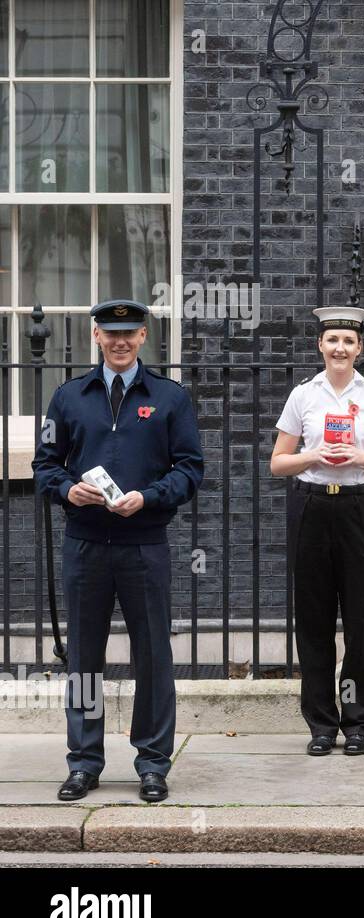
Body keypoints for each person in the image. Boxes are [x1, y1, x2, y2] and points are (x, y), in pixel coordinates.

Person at [33, 299, 204, 803]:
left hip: (144, 545)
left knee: (153, 656)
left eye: (129, 332)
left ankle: (153, 763)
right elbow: (46, 466)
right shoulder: (68, 397)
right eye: (111, 333)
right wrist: (67, 490)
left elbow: (190, 469)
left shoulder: (170, 398)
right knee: (84, 658)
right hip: (85, 545)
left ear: (143, 336)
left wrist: (148, 497)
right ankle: (84, 762)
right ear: (96, 336)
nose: (121, 341)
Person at [270, 306, 364, 756]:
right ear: (320, 346)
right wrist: (315, 455)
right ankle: (322, 725)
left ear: (360, 348)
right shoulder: (303, 395)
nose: (340, 348)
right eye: (332, 341)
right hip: (312, 505)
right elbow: (277, 462)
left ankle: (360, 722)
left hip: (359, 507)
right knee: (313, 621)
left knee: (361, 620)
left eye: (348, 341)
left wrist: (360, 456)